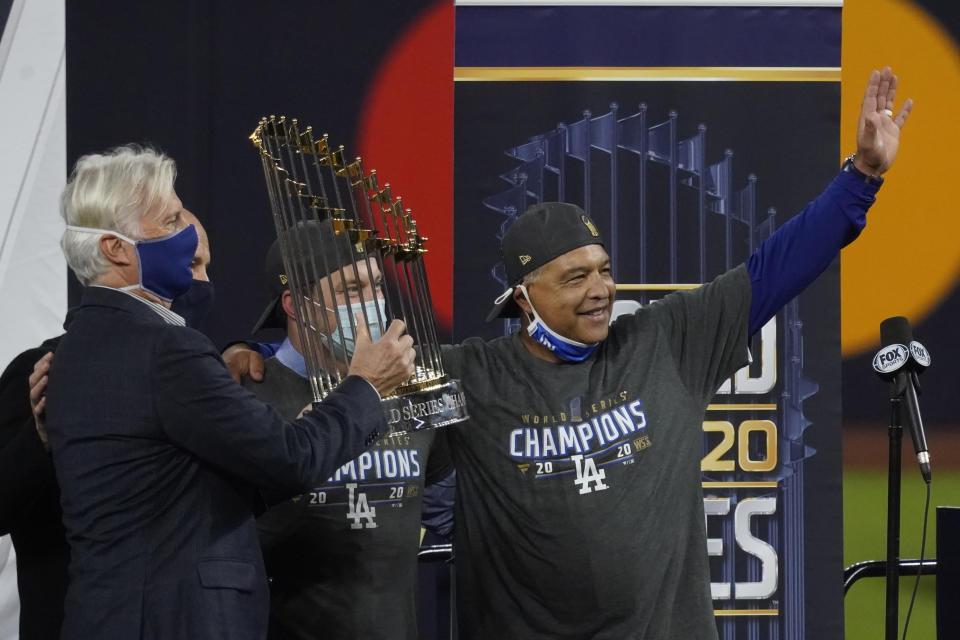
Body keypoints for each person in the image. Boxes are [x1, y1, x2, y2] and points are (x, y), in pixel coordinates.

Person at [224, 68, 912, 638]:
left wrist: (861, 176)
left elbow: (779, 267)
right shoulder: (470, 376)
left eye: (604, 270)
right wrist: (257, 357)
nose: (601, 291)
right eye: (575, 277)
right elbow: (348, 397)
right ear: (523, 296)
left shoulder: (669, 339)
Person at [44, 145, 416, 640]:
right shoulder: (164, 348)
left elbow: (171, 486)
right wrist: (365, 386)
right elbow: (292, 459)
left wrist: (300, 430)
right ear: (116, 249)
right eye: (171, 218)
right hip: (175, 620)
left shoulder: (77, 346)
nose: (187, 230)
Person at [0, 210, 215, 640]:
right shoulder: (40, 370)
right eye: (192, 265)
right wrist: (40, 438)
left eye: (207, 265)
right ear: (123, 259)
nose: (203, 281)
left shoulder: (206, 376)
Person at [243, 222, 454, 639]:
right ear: (294, 304)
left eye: (376, 285)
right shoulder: (245, 392)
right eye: (351, 291)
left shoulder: (419, 387)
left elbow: (450, 510)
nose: (373, 302)